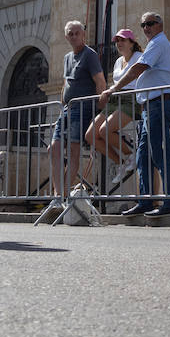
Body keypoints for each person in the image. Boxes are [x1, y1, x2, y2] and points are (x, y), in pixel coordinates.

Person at [99, 11, 170, 217]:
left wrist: (113, 89)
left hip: (159, 103)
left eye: (150, 23)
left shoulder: (158, 43)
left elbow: (138, 69)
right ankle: (146, 200)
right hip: (149, 105)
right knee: (143, 155)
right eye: (143, 25)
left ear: (160, 25)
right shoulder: (154, 44)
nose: (146, 28)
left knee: (159, 152)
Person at [48, 21, 105, 207]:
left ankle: (61, 196)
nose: (73, 36)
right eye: (70, 34)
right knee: (54, 148)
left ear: (83, 35)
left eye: (76, 33)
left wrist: (99, 110)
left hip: (83, 108)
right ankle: (59, 195)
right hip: (67, 109)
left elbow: (100, 82)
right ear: (66, 37)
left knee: (73, 150)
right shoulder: (67, 57)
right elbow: (66, 84)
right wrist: (62, 104)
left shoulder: (90, 55)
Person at [86, 28, 141, 192]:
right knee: (90, 135)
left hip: (130, 99)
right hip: (115, 99)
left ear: (132, 43)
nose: (119, 43)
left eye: (123, 40)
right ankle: (122, 163)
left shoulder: (139, 57)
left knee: (105, 130)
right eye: (117, 41)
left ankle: (131, 154)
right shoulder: (118, 62)